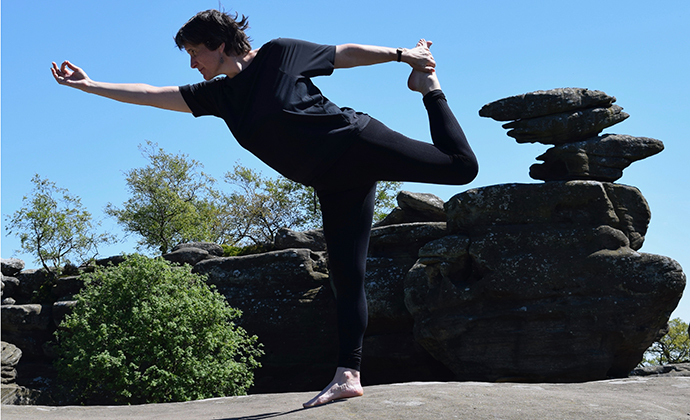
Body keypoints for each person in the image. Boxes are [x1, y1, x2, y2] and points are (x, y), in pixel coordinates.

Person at [51, 9, 478, 408]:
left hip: (358, 142)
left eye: (195, 53)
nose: (192, 63)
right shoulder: (221, 97)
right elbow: (151, 94)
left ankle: (430, 90)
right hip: (333, 182)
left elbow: (343, 54)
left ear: (219, 44)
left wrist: (406, 56)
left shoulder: (279, 53)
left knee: (461, 168)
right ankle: (348, 375)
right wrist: (88, 85)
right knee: (347, 277)